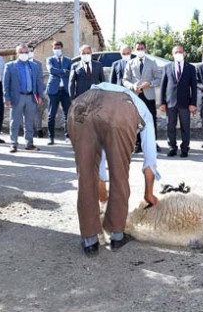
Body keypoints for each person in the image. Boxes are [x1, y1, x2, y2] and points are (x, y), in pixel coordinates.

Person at [67, 83, 160, 255]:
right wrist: (149, 193)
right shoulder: (139, 107)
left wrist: (101, 186)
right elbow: (150, 159)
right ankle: (117, 235)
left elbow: (97, 161)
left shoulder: (93, 90)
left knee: (85, 173)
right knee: (120, 172)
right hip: (120, 112)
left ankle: (90, 240)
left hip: (79, 106)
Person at [3, 44, 44, 153]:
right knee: (15, 121)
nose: (24, 54)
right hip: (17, 97)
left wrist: (40, 96)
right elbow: (6, 84)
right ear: (17, 53)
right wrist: (6, 98)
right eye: (21, 52)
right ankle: (13, 143)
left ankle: (29, 143)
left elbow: (39, 82)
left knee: (29, 121)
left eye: (26, 52)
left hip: (31, 97)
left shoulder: (34, 66)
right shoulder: (10, 66)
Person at [123, 41, 162, 153]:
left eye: (141, 48)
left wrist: (149, 84)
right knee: (135, 120)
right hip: (136, 96)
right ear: (135, 50)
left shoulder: (152, 62)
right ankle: (138, 143)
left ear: (145, 49)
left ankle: (152, 143)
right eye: (138, 49)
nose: (140, 50)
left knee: (150, 119)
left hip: (148, 96)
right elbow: (125, 80)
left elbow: (159, 79)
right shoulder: (130, 63)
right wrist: (132, 86)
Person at [160, 45, 197, 158]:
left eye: (180, 51)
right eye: (176, 52)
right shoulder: (167, 67)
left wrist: (193, 103)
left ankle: (185, 148)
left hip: (185, 103)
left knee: (185, 127)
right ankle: (172, 147)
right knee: (170, 126)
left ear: (184, 53)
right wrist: (162, 102)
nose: (178, 53)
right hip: (170, 103)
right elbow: (163, 86)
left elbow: (194, 87)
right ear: (172, 54)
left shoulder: (190, 68)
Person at [46, 40, 72, 145]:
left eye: (58, 47)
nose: (57, 49)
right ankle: (50, 137)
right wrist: (63, 71)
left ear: (62, 48)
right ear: (52, 49)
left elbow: (70, 72)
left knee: (68, 114)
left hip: (65, 90)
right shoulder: (50, 60)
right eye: (55, 48)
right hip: (53, 90)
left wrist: (61, 72)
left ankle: (68, 136)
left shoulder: (68, 60)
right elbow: (51, 70)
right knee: (51, 115)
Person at [28, 44, 45, 138]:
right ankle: (29, 131)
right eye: (28, 50)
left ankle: (39, 130)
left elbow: (40, 79)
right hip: (23, 92)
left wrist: (40, 94)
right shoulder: (19, 63)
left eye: (31, 50)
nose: (30, 52)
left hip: (34, 92)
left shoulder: (38, 64)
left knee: (36, 112)